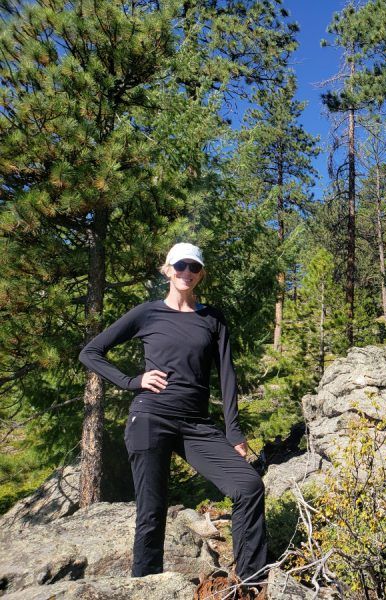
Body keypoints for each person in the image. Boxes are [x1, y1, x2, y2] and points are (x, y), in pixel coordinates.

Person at [79, 242, 267, 585]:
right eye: (180, 265)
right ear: (167, 270)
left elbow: (227, 376)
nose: (187, 273)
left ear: (201, 274)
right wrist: (132, 381)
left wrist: (234, 432)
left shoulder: (212, 318)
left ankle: (252, 583)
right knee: (151, 511)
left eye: (194, 268)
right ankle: (146, 587)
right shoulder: (148, 313)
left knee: (248, 485)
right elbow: (91, 353)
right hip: (151, 417)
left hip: (196, 424)